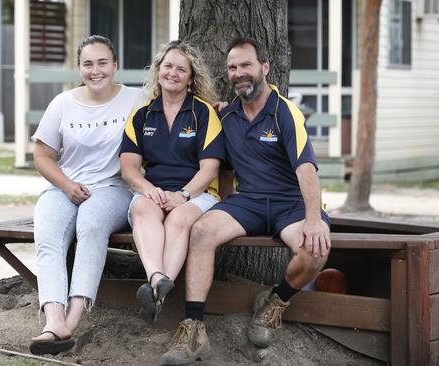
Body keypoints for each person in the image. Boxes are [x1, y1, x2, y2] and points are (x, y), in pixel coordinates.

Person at [161, 38, 332, 365]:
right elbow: (219, 166)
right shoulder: (225, 117)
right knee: (200, 232)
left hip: (291, 204)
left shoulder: (285, 111)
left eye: (246, 65)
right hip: (249, 202)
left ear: (264, 67)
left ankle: (274, 301)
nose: (239, 73)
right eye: (233, 67)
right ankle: (194, 330)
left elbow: (307, 168)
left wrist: (313, 219)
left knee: (315, 249)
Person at [29, 35, 146, 355]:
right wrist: (66, 185)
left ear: (115, 65)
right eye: (88, 64)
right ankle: (53, 320)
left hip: (112, 189)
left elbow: (178, 104)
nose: (96, 71)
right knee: (48, 234)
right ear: (79, 68)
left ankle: (73, 318)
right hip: (64, 187)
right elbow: (42, 156)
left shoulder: (137, 99)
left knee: (91, 226)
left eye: (103, 63)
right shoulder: (62, 103)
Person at [120, 40, 224, 322]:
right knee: (143, 209)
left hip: (198, 193)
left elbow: (210, 168)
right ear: (158, 70)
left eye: (181, 69)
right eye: (168, 66)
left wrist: (184, 195)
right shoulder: (142, 115)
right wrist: (148, 190)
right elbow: (129, 169)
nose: (173, 73)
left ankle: (155, 295)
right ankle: (157, 277)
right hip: (154, 189)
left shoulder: (203, 113)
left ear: (191, 77)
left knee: (179, 219)